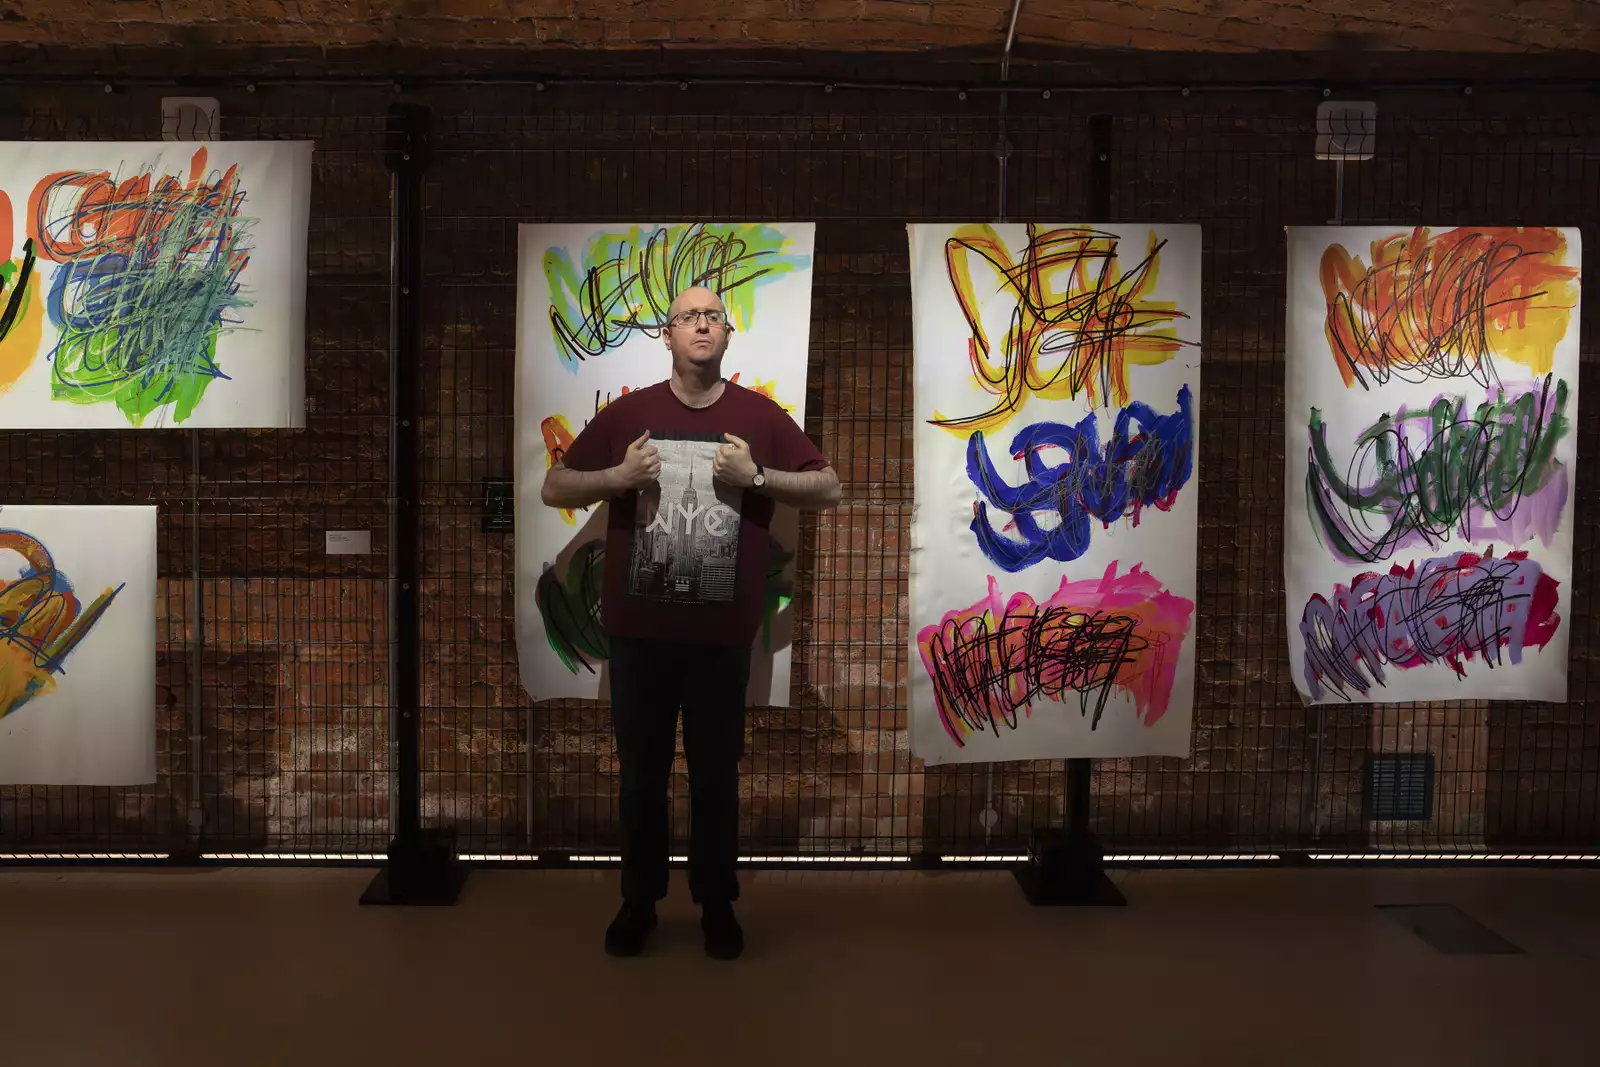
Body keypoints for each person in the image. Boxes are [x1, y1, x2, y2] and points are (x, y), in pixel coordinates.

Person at [540, 285, 841, 960]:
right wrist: (618, 474)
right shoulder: (631, 413)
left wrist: (757, 476)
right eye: (688, 317)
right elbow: (555, 486)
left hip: (718, 637)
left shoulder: (757, 417)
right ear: (668, 335)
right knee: (640, 775)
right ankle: (638, 899)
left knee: (714, 776)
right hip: (639, 634)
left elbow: (830, 486)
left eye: (713, 317)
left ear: (728, 335)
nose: (701, 326)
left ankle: (716, 904)